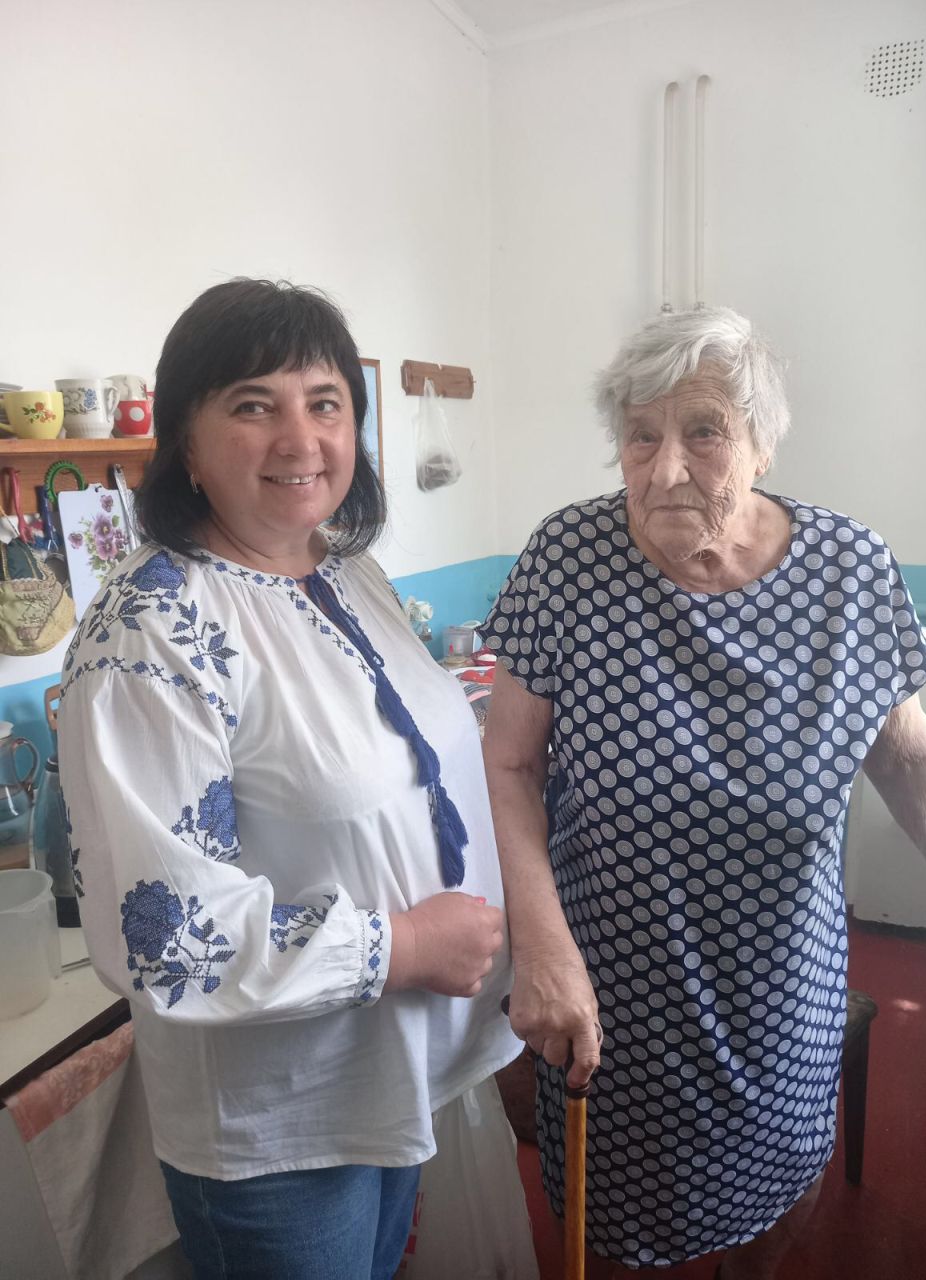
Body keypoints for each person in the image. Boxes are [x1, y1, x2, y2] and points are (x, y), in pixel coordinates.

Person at [480, 306, 926, 1278]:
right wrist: (540, 945)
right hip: (608, 980)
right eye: (640, 435)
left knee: (779, 1194)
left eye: (704, 431)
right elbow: (511, 764)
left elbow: (909, 755)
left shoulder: (846, 568)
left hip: (783, 985)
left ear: (763, 443)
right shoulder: (567, 559)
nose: (665, 469)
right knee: (610, 1217)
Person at [58, 279, 520, 1280]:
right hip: (281, 1129)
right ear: (186, 442)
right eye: (253, 405)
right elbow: (167, 932)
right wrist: (404, 945)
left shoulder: (346, 570)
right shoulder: (154, 628)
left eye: (325, 402)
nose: (300, 438)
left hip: (393, 1076)